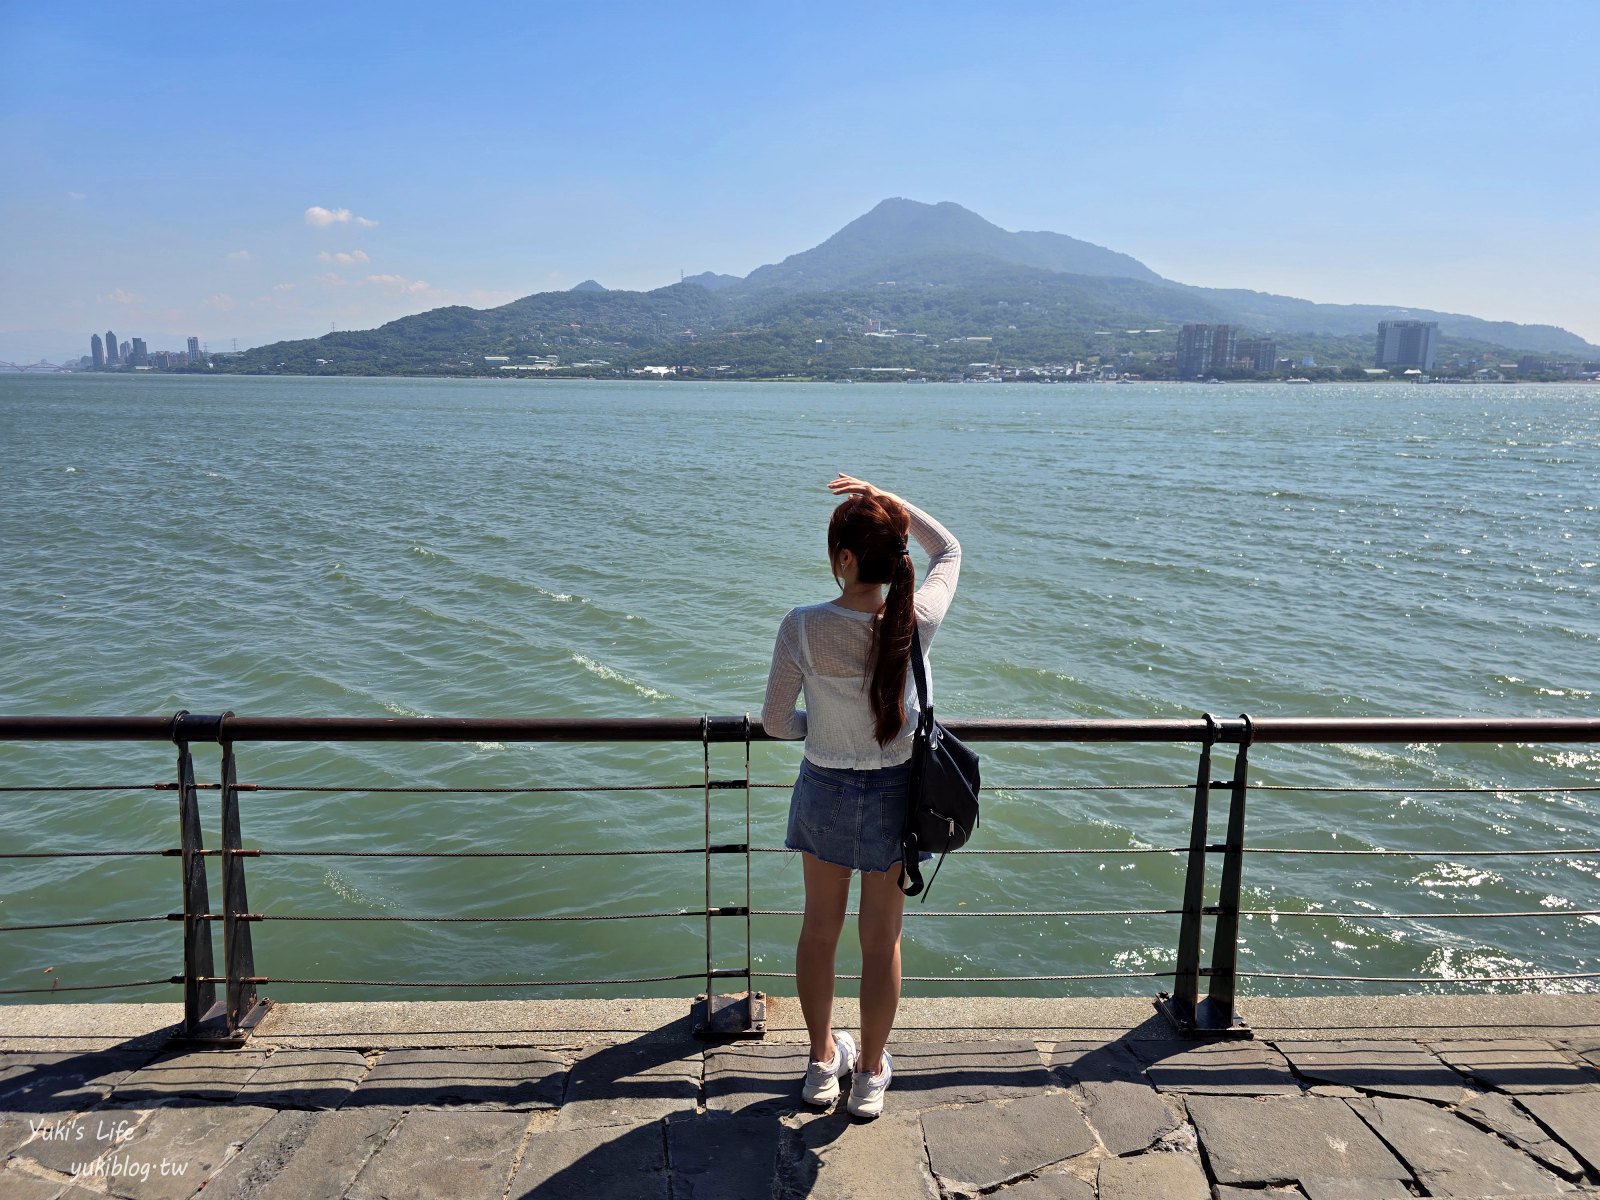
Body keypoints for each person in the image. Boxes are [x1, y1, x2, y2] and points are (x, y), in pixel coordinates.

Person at [761, 473, 961, 1118]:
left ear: (843, 560)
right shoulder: (917, 619)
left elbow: (773, 721)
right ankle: (870, 1075)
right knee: (882, 941)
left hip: (823, 787)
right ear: (895, 557)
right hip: (896, 795)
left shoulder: (803, 626)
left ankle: (822, 1065)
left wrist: (816, 728)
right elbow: (950, 551)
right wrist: (892, 498)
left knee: (819, 932)